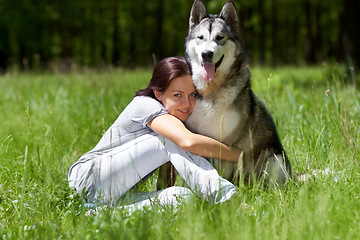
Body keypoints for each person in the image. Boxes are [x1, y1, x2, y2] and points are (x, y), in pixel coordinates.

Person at [68, 56, 242, 208]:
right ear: (158, 93)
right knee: (174, 139)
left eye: (192, 95)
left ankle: (94, 213)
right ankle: (229, 200)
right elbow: (187, 142)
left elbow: (167, 176)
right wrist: (242, 155)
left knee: (180, 198)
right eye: (177, 95)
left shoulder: (172, 121)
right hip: (88, 179)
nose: (187, 104)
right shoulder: (145, 104)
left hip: (110, 198)